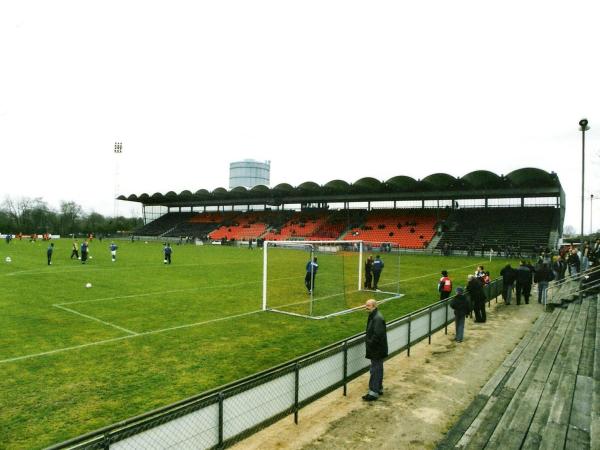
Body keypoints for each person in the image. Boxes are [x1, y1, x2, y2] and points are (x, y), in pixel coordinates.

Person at [363, 299, 388, 401]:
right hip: (378, 349)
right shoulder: (375, 316)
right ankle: (378, 388)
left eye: (368, 306)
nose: (366, 307)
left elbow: (377, 335)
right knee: (378, 368)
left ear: (374, 306)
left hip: (376, 350)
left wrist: (369, 343)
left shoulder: (377, 318)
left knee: (375, 370)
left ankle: (373, 392)